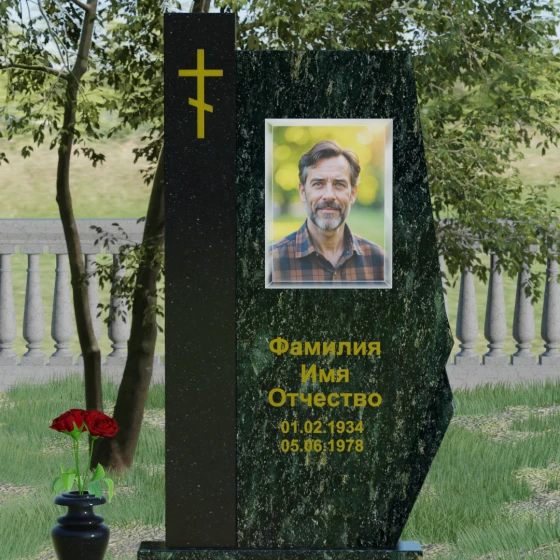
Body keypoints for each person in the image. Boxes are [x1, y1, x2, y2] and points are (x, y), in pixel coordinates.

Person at [268, 139, 385, 285]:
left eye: (339, 184)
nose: (329, 195)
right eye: (318, 184)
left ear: (353, 193)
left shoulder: (380, 262)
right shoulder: (271, 263)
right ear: (303, 192)